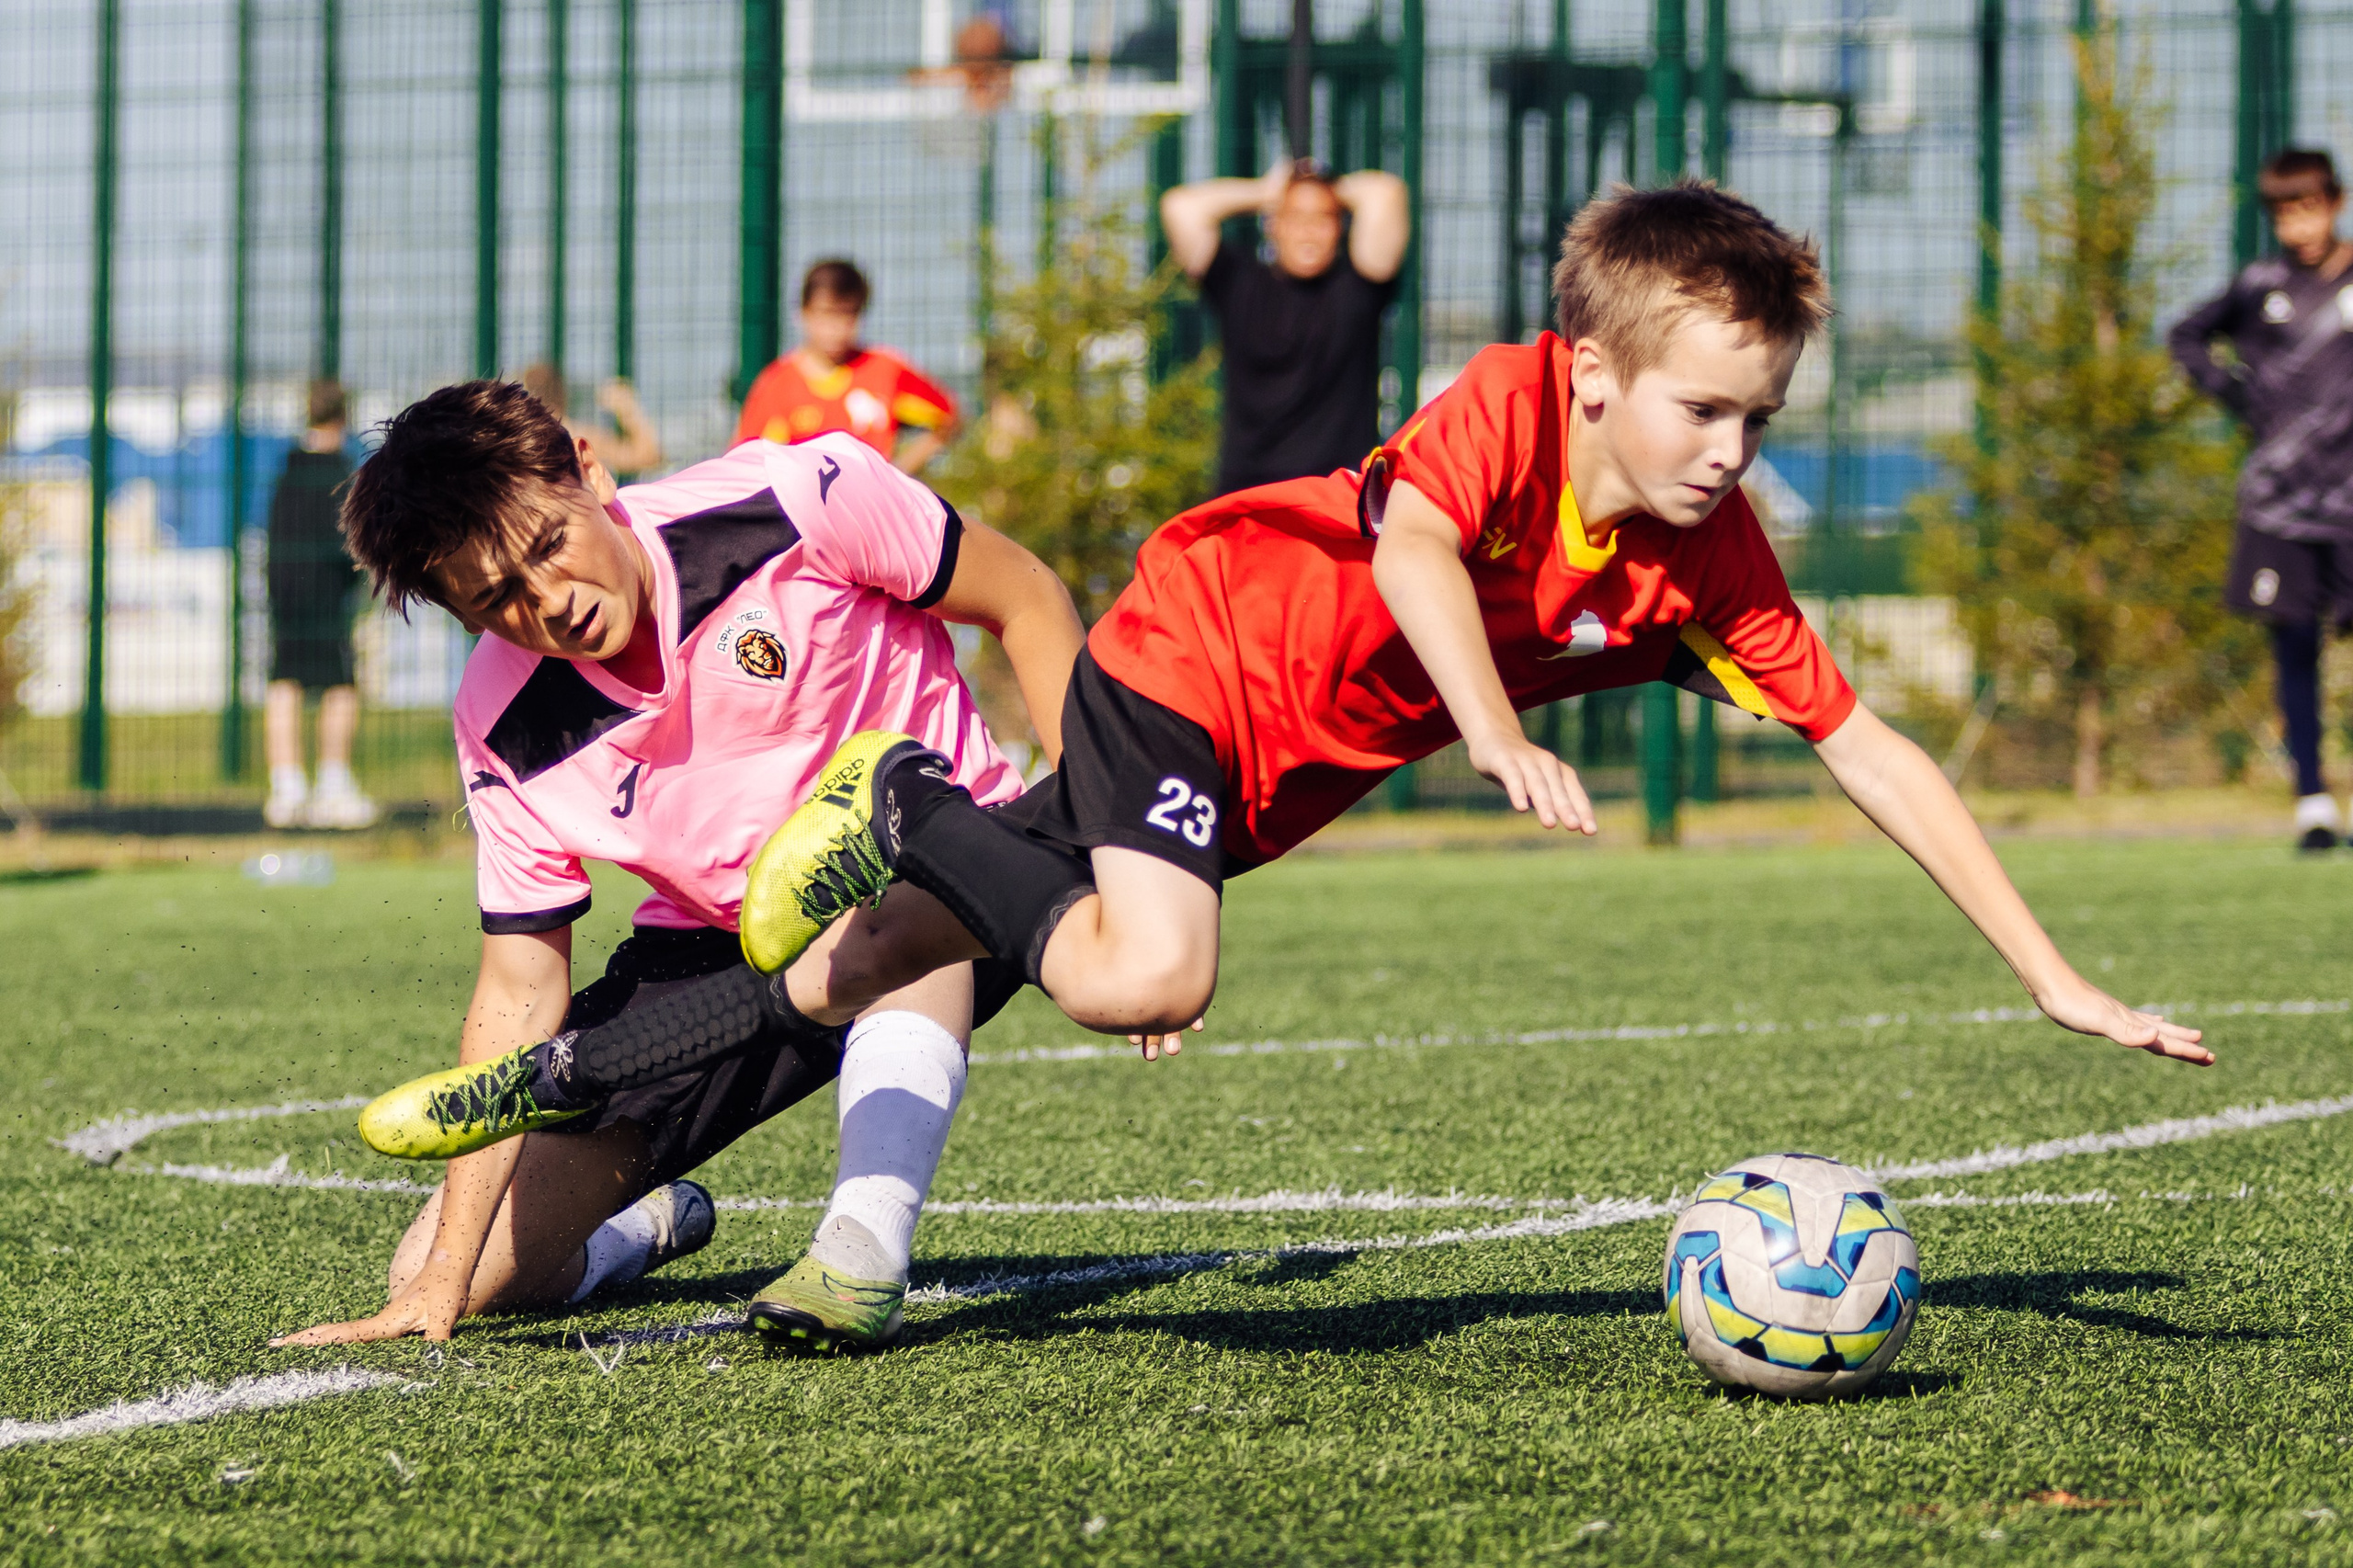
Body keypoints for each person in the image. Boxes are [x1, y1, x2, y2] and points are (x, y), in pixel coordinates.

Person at [387, 183, 2213, 1330]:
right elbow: (1414, 548)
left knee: (873, 969)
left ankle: (717, 1125)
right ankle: (910, 807)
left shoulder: (1712, 562)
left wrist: (2052, 973)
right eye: (1703, 407)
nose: (1734, 449)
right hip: (1191, 651)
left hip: (1254, 777)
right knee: (1143, 973)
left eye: (1760, 413)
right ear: (1593, 372)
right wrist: (1487, 728)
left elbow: (1871, 748)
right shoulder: (1511, 402)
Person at [269, 380, 1083, 1354]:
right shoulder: (499, 721)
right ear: (462, 615)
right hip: (714, 944)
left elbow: (1026, 597)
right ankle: (644, 1228)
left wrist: (1104, 853)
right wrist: (444, 1277)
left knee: (895, 882)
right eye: (498, 599)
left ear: (589, 470)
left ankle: (862, 1245)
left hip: (937, 859)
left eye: (549, 545)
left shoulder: (796, 497)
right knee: (453, 1270)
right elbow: (520, 987)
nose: (549, 601)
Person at [2169, 148, 2353, 852]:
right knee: (2295, 644)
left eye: (2308, 209)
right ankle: (2312, 799)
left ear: (2334, 204)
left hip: (2351, 500)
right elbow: (2186, 335)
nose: (2297, 225)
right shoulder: (2260, 285)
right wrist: (2236, 394)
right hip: (2280, 502)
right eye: (2283, 213)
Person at [1159, 159, 1411, 494]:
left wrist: (1322, 185)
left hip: (1335, 498)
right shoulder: (1240, 284)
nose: (1308, 231)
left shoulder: (1357, 289)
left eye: (1322, 218)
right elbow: (1180, 207)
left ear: (1339, 228)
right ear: (1273, 224)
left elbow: (1387, 194)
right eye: (1295, 217)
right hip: (1248, 496)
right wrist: (1266, 191)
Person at [263, 379, 376, 830]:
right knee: (340, 685)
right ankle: (333, 785)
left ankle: (286, 788)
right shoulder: (343, 474)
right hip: (329, 596)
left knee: (284, 680)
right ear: (343, 418)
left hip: (286, 595)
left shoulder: (286, 471)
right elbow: (350, 544)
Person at [733, 260, 961, 474]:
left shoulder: (885, 370)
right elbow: (744, 464)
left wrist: (896, 475)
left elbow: (949, 419)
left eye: (847, 315)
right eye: (826, 313)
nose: (835, 327)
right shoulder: (777, 384)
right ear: (803, 313)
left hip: (870, 502)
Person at [519, 362, 665, 478]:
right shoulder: (578, 436)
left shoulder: (517, 440)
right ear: (563, 395)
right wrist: (628, 407)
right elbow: (646, 457)